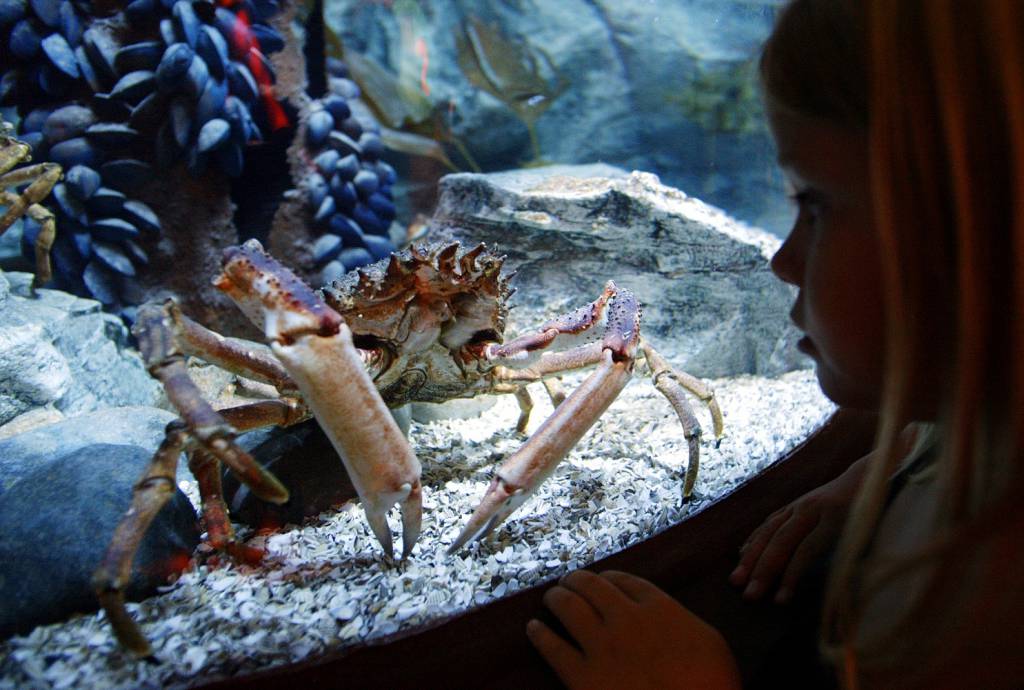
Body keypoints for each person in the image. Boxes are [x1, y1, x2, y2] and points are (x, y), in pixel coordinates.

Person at [525, 0, 1024, 688]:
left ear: (983, 236)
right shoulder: (980, 443)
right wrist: (878, 472)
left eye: (815, 206)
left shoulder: (989, 613)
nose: (783, 261)